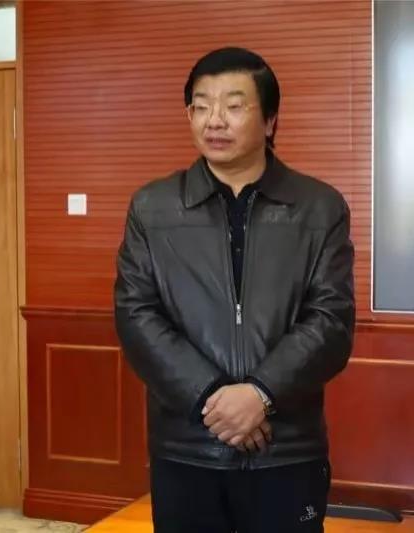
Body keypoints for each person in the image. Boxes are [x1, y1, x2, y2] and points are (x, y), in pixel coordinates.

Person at [114, 46, 355, 533]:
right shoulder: (152, 208)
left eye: (234, 105)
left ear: (270, 120)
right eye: (201, 106)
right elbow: (137, 315)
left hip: (286, 448)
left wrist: (260, 394)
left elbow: (330, 321)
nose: (214, 120)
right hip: (188, 447)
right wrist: (212, 398)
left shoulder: (319, 207)